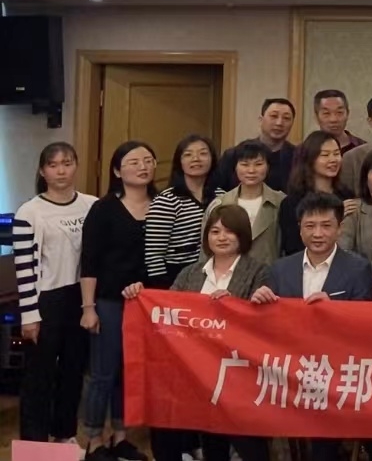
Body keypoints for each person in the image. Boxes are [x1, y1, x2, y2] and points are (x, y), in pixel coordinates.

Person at [250, 192, 372, 461]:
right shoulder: (280, 268)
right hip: (287, 371)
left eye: (326, 226)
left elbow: (364, 321)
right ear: (299, 229)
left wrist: (334, 310)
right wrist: (259, 301)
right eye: (310, 226)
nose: (318, 233)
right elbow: (267, 323)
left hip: (334, 372)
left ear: (339, 228)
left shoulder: (358, 268)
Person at [156, 205, 270, 461]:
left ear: (242, 235)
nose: (221, 237)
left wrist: (235, 306)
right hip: (194, 370)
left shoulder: (259, 271)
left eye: (229, 231)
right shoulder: (190, 273)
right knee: (189, 435)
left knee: (249, 445)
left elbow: (263, 322)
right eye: (215, 231)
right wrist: (139, 295)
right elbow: (166, 308)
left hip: (237, 373)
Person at [79, 141, 158, 461]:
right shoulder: (104, 209)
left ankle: (121, 436)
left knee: (130, 371)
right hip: (109, 302)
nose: (143, 166)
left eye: (148, 160)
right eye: (134, 161)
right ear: (116, 170)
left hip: (148, 304)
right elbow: (89, 261)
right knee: (103, 372)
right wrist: (88, 308)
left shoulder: (163, 205)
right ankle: (94, 440)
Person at [16, 142, 96, 445]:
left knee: (73, 370)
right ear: (42, 171)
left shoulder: (91, 205)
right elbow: (24, 268)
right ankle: (34, 442)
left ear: (76, 165)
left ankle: (65, 434)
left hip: (82, 297)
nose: (61, 171)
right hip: (46, 299)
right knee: (40, 375)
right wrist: (29, 316)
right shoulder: (30, 211)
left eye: (67, 163)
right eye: (53, 165)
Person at [144, 133, 219, 287]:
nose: (196, 159)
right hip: (175, 277)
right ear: (179, 162)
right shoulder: (167, 200)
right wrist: (164, 289)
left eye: (203, 153)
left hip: (216, 275)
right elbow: (153, 255)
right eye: (188, 154)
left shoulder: (222, 197)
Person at [202, 140, 285, 265]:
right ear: (235, 167)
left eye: (258, 164)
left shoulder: (281, 201)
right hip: (226, 272)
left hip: (268, 272)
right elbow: (206, 248)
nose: (251, 170)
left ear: (268, 166)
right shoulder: (220, 203)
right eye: (244, 164)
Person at [278, 130, 357, 256]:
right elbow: (292, 246)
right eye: (325, 155)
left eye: (336, 154)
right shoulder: (293, 202)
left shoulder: (347, 195)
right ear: (310, 159)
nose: (333, 159)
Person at [217, 98, 296, 192]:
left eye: (286, 118)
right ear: (261, 120)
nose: (279, 123)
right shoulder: (235, 154)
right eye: (274, 116)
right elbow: (217, 188)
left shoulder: (299, 157)